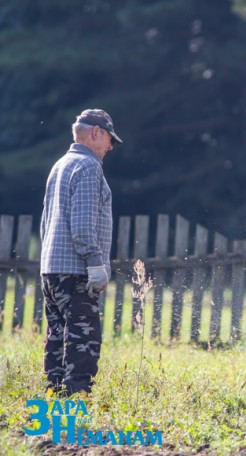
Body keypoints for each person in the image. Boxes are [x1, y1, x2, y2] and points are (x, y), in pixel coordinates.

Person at [40, 109, 123, 396]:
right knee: (82, 340)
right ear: (96, 132)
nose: (110, 147)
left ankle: (54, 395)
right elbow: (82, 224)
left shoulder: (60, 164)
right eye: (110, 139)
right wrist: (96, 264)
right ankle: (76, 399)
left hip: (51, 268)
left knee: (57, 336)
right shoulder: (89, 166)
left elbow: (46, 221)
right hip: (76, 271)